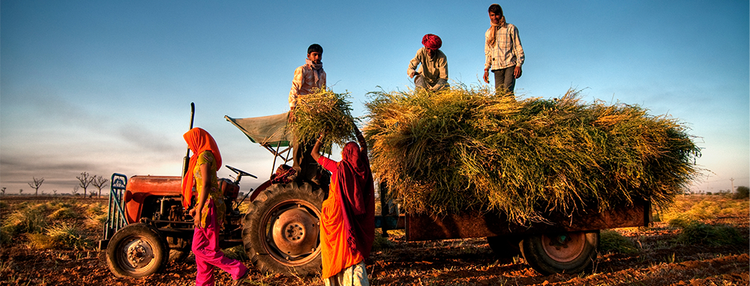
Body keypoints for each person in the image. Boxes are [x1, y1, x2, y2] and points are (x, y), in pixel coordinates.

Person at [182, 127, 249, 286]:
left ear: (197, 140)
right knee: (205, 252)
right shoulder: (205, 156)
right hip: (208, 203)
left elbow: (205, 184)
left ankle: (236, 268)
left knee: (198, 248)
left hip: (208, 207)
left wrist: (199, 209)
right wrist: (196, 206)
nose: (190, 147)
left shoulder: (204, 156)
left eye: (191, 143)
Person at [311, 127, 375, 286]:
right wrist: (356, 130)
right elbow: (364, 147)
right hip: (351, 218)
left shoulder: (339, 167)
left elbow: (314, 154)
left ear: (345, 153)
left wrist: (322, 135)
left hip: (335, 216)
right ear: (358, 154)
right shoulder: (363, 168)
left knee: (335, 249)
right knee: (351, 249)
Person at [289, 44, 327, 183]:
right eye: (314, 55)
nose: (317, 57)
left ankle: (311, 174)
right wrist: (293, 109)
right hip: (302, 111)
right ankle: (297, 171)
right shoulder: (302, 70)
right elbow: (294, 89)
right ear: (309, 55)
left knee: (314, 144)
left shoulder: (322, 73)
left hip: (315, 114)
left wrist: (324, 111)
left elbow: (323, 94)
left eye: (319, 55)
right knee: (299, 142)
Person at [483, 3, 525, 96]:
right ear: (489, 16)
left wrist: (519, 65)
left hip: (510, 64)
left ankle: (514, 110)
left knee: (507, 92)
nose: (495, 17)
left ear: (501, 14)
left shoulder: (510, 28)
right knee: (499, 94)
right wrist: (486, 69)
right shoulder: (488, 33)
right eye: (492, 15)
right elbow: (488, 52)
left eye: (497, 14)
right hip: (497, 67)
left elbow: (518, 47)